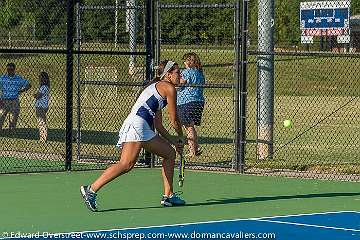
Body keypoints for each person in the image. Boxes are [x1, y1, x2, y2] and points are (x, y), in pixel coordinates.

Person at [80, 60, 186, 211]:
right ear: (168, 75)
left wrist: (174, 141)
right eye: (177, 72)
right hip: (137, 125)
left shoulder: (156, 88)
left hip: (142, 127)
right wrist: (180, 136)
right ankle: (90, 190)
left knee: (169, 153)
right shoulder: (169, 88)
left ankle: (168, 195)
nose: (180, 75)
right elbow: (174, 119)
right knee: (126, 164)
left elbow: (158, 125)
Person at [177, 52, 205, 158]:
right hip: (198, 102)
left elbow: (180, 84)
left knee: (188, 127)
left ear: (188, 62)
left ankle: (192, 150)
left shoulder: (186, 72)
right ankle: (196, 148)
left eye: (185, 61)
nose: (184, 63)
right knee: (191, 126)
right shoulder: (199, 73)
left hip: (187, 102)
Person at [0, 63, 31, 130]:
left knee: (15, 114)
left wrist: (21, 91)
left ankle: (12, 127)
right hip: (4, 99)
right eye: (8, 69)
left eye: (11, 69)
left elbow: (28, 85)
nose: (9, 70)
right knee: (2, 115)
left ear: (14, 69)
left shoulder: (18, 78)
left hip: (14, 99)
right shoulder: (2, 78)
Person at [34, 72, 50, 143]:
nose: (39, 80)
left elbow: (38, 95)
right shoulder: (45, 87)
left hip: (41, 106)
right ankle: (43, 136)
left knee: (41, 122)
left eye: (40, 78)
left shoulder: (43, 87)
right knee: (42, 121)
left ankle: (43, 138)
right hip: (44, 106)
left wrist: (35, 95)